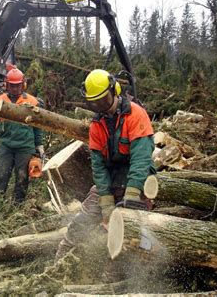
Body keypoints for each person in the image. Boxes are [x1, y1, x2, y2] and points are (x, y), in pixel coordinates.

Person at [55, 69, 156, 260]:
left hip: (137, 180)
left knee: (137, 233)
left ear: (114, 90)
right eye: (94, 103)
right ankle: (56, 266)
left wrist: (132, 193)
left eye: (103, 100)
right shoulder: (97, 124)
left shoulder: (135, 114)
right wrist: (106, 201)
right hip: (111, 181)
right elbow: (98, 166)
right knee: (80, 224)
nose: (99, 106)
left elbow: (141, 158)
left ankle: (140, 268)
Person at [0, 68, 44, 205]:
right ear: (6, 85)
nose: (15, 88)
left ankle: (18, 207)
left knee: (22, 178)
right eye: (12, 85)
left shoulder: (32, 101)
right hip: (7, 146)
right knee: (1, 176)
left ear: (23, 85)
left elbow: (38, 126)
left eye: (18, 85)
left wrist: (39, 144)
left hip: (25, 147)